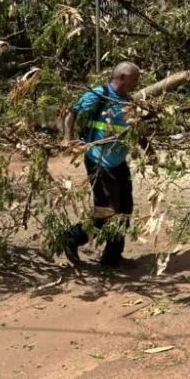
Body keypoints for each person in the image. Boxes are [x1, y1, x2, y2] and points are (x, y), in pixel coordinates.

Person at [62, 62, 141, 268]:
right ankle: (73, 236)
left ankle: (112, 257)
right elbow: (71, 113)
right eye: (134, 79)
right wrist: (67, 138)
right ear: (122, 77)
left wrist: (149, 151)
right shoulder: (99, 94)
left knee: (125, 208)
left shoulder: (129, 101)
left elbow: (135, 129)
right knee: (107, 210)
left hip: (119, 162)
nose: (137, 83)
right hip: (99, 161)